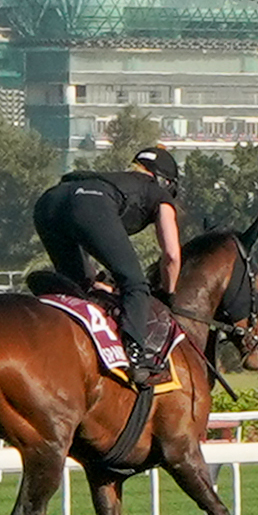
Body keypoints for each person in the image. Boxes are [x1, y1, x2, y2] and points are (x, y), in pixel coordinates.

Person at [31, 145, 186, 384]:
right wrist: (169, 294)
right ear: (165, 182)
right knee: (135, 285)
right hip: (89, 206)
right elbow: (172, 256)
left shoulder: (115, 179)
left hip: (49, 202)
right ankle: (135, 356)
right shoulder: (159, 193)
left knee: (82, 289)